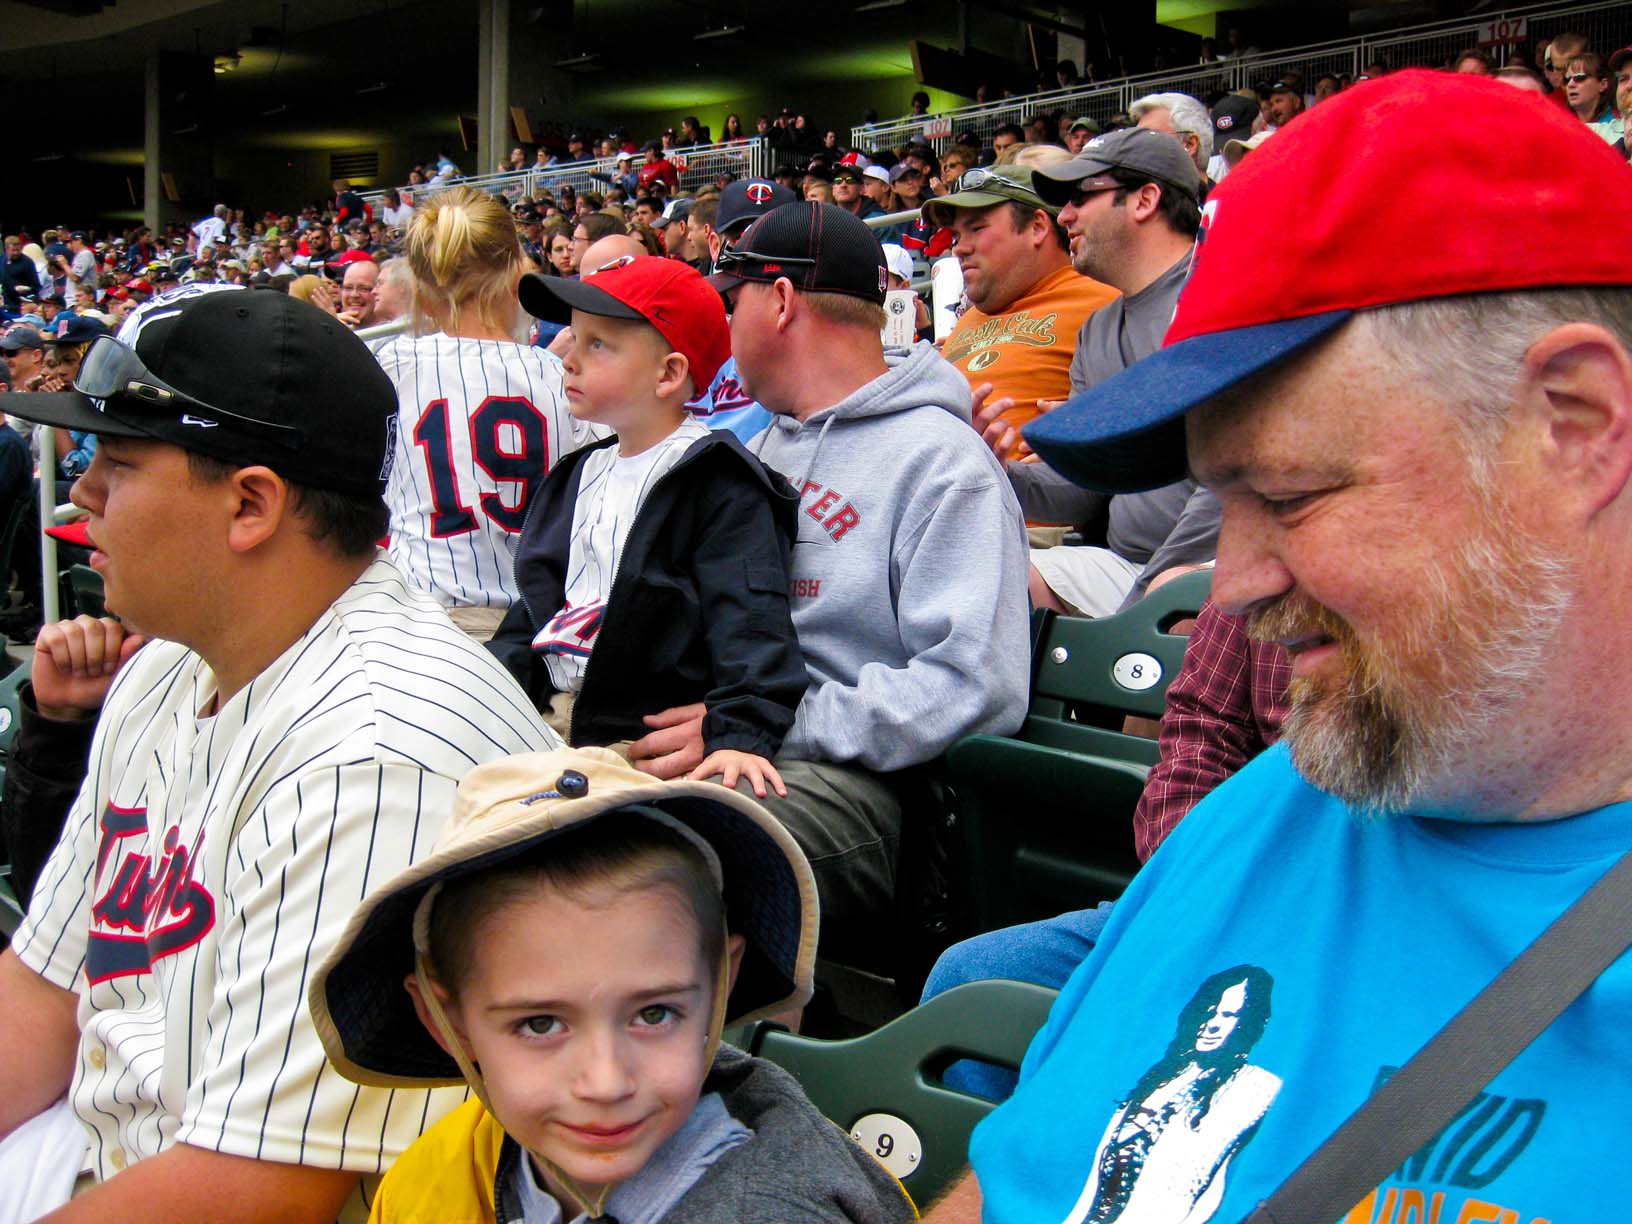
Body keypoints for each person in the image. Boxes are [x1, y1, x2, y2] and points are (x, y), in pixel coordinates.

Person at [925, 70, 1632, 1223]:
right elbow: (1029, 1171)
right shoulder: (1271, 806)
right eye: (1222, 498)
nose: (1236, 581)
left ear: (1575, 427)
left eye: (1292, 494)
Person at [0, 286, 557, 1223]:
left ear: (251, 503)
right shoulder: (169, 663)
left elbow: (268, 1190)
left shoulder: (378, 755)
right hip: (112, 1145)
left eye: (119, 463)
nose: (82, 494)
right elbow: (42, 990)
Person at [628, 202, 1029, 953]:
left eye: (733, 301)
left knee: (650, 858)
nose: (725, 326)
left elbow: (976, 688)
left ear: (780, 301)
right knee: (540, 812)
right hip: (739, 744)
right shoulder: (756, 451)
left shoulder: (944, 462)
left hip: (876, 788)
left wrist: (769, 725)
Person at [309, 748, 916, 1223]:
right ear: (447, 1022)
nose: (606, 1083)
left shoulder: (779, 1209)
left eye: (653, 1014)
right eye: (540, 1024)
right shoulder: (441, 1177)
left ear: (722, 983)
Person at [495, 256, 805, 794]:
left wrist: (741, 731)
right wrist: (489, 686)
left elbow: (750, 616)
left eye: (598, 344)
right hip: (546, 721)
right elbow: (537, 607)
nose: (569, 359)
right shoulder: (580, 472)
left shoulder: (716, 477)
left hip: (638, 739)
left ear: (668, 374)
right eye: (573, 339)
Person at [987, 128, 1220, 616]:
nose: (1064, 216)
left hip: (1224, 560)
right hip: (1127, 567)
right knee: (989, 575)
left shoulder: (1219, 293)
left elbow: (1231, 485)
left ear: (1144, 200)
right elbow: (1085, 492)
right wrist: (996, 469)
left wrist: (1146, 600)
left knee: (1181, 594)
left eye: (1080, 197)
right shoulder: (1097, 330)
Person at [374, 187, 598, 636]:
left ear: (422, 287)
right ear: (516, 273)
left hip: (422, 620)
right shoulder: (561, 374)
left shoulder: (391, 364)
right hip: (535, 627)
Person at [926, 166, 1117, 459]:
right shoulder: (967, 320)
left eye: (977, 229)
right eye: (956, 235)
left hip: (1031, 484)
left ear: (1037, 227)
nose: (959, 249)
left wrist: (1087, 447)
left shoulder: (1105, 302)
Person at [686, 177, 798, 441]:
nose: (755, 247)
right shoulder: (684, 325)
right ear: (715, 245)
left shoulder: (808, 327)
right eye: (741, 236)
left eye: (771, 236)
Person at [336, 257, 379, 328]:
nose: (354, 295)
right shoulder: (335, 326)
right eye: (348, 288)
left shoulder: (395, 329)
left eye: (363, 289)